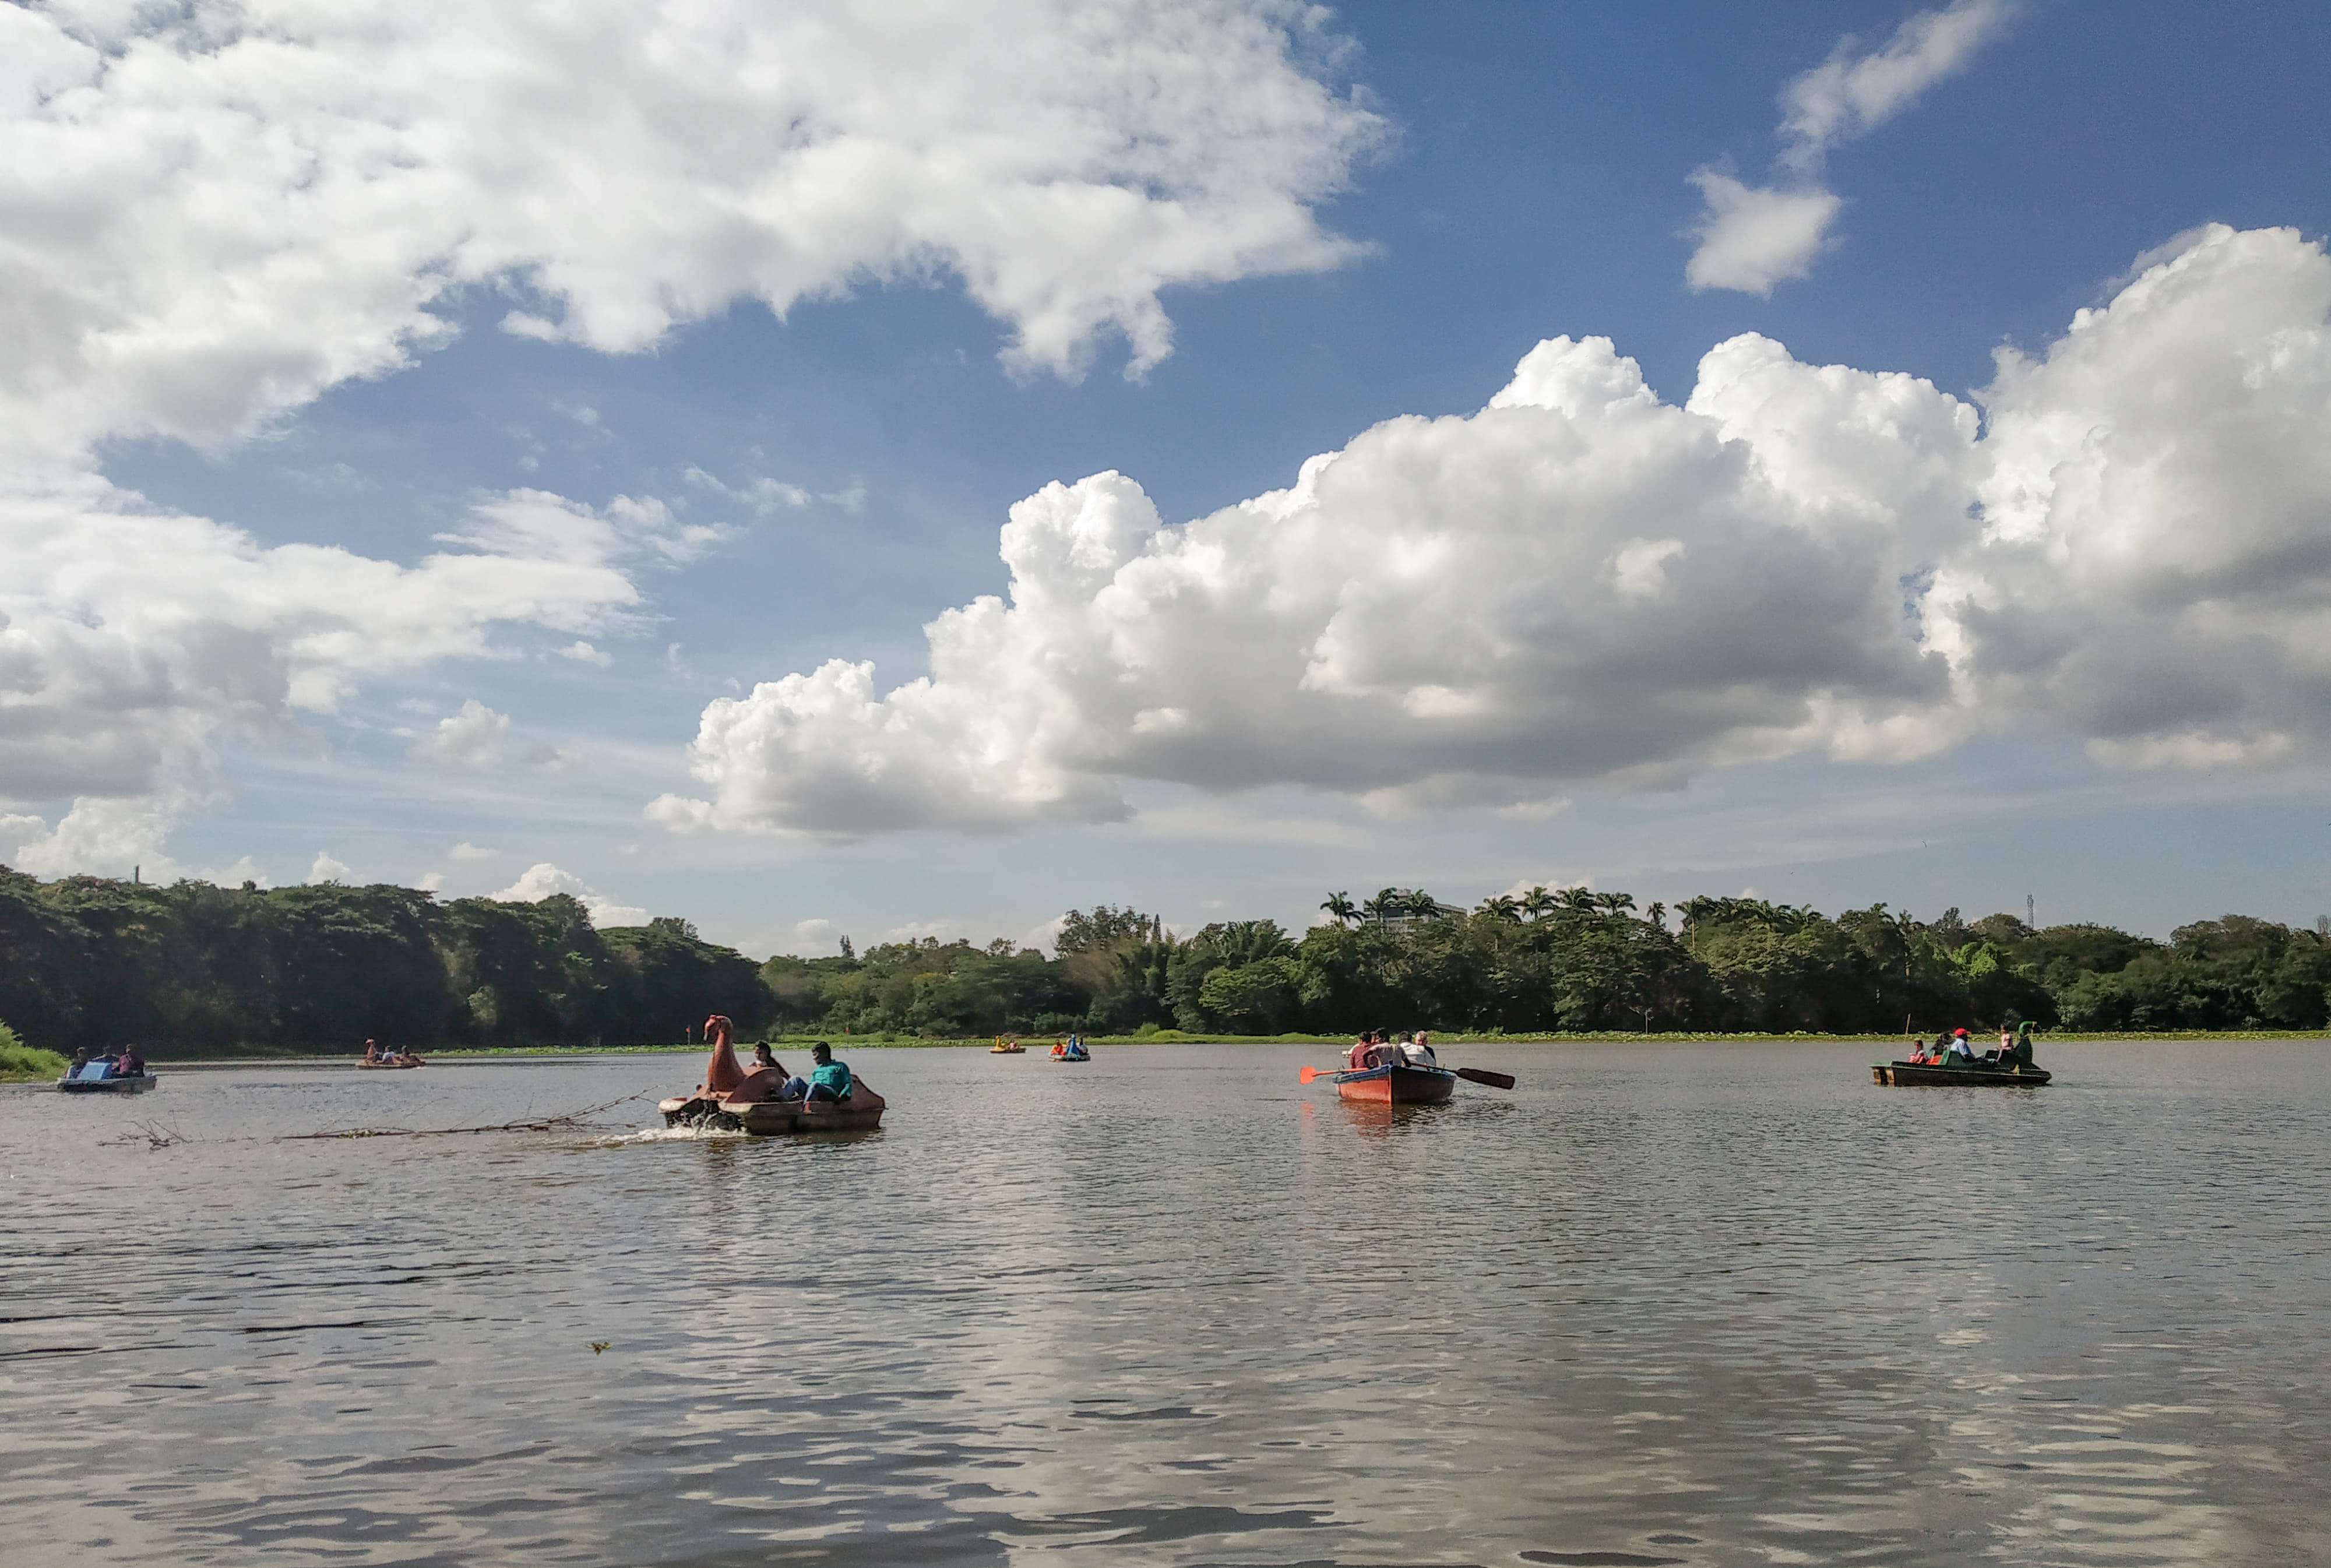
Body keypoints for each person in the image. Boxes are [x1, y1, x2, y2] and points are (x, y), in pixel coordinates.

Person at [780, 1042, 853, 1104]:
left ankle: (806, 1107)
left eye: (815, 1055)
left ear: (824, 1054)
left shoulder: (840, 1066)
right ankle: (782, 1100)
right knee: (795, 1079)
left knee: (816, 1085)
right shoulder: (817, 1070)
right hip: (815, 1091)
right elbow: (810, 1086)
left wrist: (843, 1095)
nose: (814, 1058)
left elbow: (848, 1084)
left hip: (831, 1094)